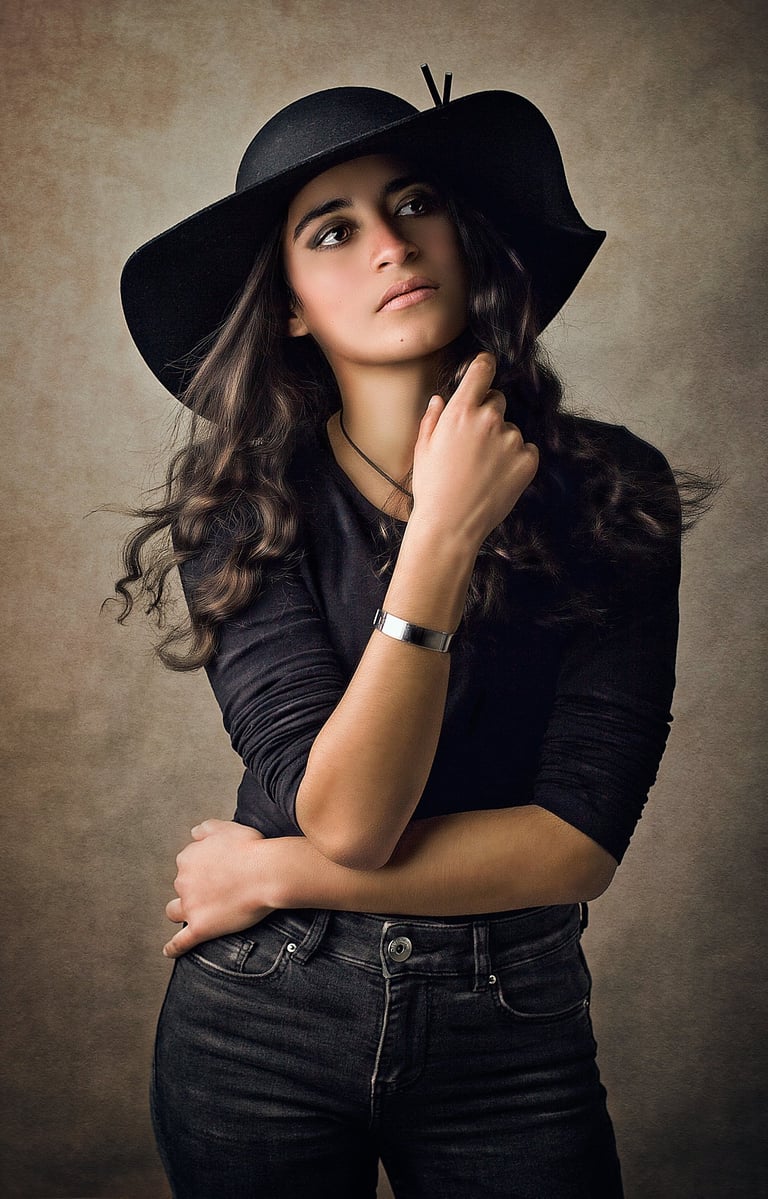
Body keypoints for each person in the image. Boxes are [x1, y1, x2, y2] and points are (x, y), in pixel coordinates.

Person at [117, 72, 692, 1199]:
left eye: (414, 202)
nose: (389, 244)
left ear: (463, 236)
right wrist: (442, 538)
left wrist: (276, 870)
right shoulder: (241, 505)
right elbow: (347, 813)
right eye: (334, 230)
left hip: (510, 1023)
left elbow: (577, 842)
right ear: (286, 301)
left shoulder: (615, 487)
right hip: (261, 1018)